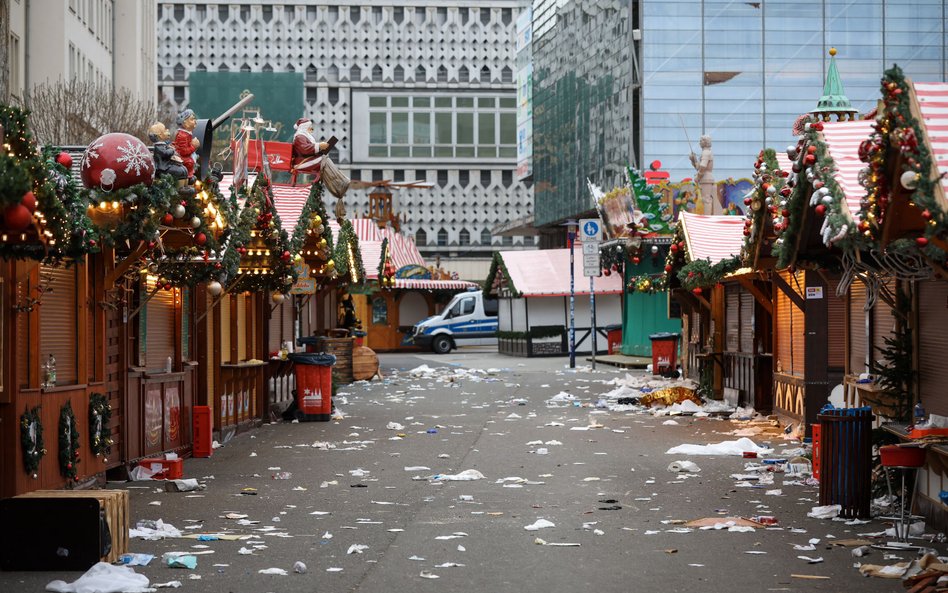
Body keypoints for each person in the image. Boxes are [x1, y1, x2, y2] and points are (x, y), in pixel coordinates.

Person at [689, 135, 715, 214]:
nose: (700, 142)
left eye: (701, 141)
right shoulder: (705, 152)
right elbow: (699, 167)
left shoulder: (706, 153)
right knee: (705, 199)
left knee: (706, 199)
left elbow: (703, 166)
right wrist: (694, 160)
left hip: (706, 178)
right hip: (705, 178)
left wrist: (698, 176)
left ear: (705, 142)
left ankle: (707, 219)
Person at [173, 109, 200, 181]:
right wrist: (194, 146)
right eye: (192, 119)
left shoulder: (187, 134)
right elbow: (183, 151)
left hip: (186, 157)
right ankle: (187, 178)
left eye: (194, 119)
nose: (195, 121)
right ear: (185, 123)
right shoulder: (182, 135)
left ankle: (189, 176)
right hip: (181, 159)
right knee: (189, 162)